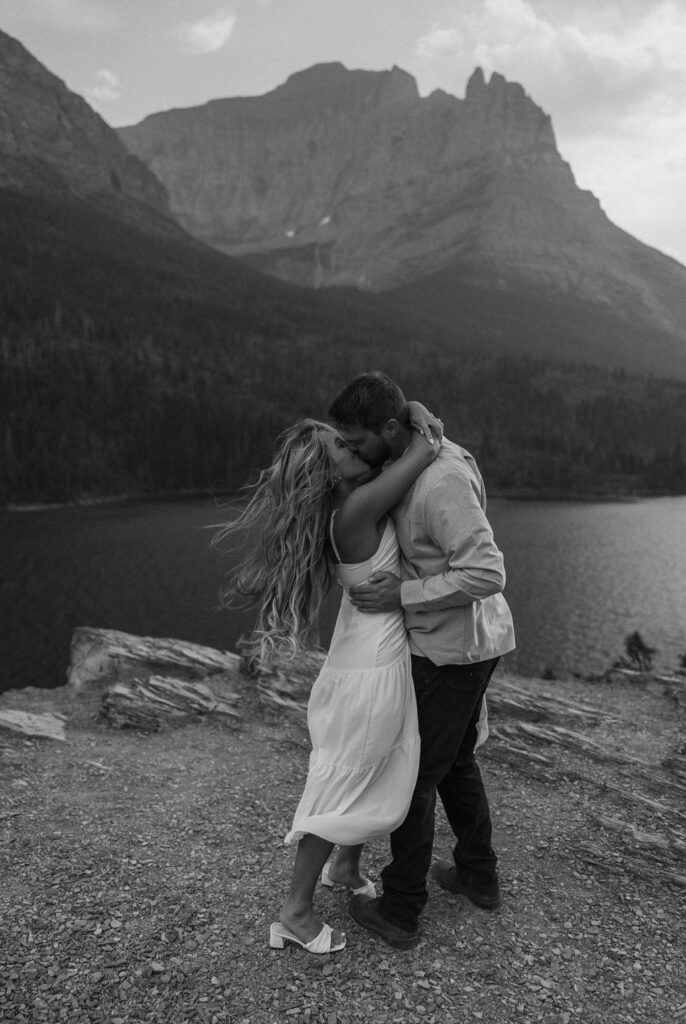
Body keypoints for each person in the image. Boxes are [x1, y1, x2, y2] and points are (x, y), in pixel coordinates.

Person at [213, 405, 441, 955]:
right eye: (343, 445)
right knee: (341, 785)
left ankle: (344, 864)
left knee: (371, 767)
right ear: (327, 470)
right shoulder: (357, 507)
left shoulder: (348, 505)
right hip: (371, 669)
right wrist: (410, 414)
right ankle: (294, 913)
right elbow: (425, 450)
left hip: (363, 656)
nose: (356, 448)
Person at [329, 371, 516, 950]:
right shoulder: (414, 445)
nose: (354, 451)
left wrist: (400, 595)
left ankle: (402, 910)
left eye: (357, 442)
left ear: (389, 429)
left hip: (450, 651)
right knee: (456, 763)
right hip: (467, 643)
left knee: (413, 778)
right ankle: (478, 877)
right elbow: (400, 416)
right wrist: (413, 407)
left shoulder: (441, 480)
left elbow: (488, 572)